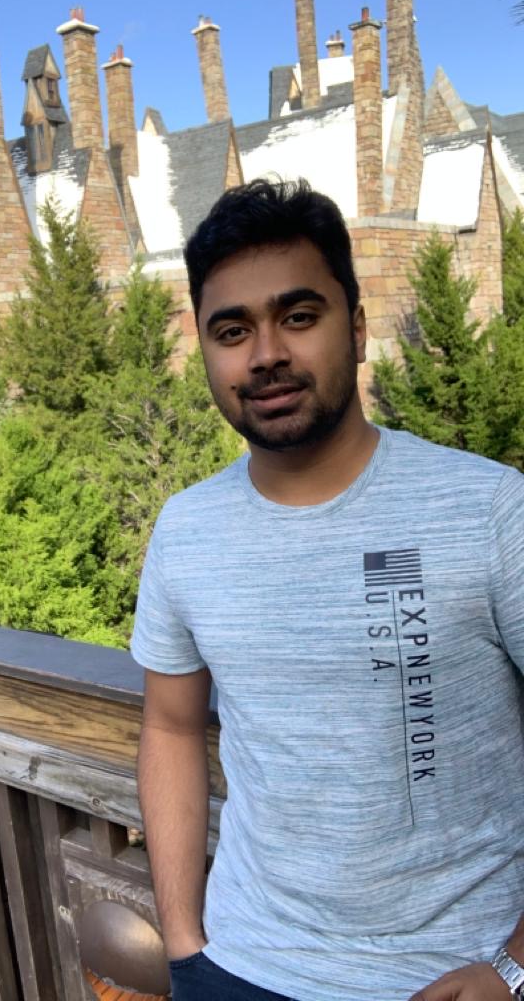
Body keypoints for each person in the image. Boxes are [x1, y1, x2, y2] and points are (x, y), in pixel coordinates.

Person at [130, 178, 524, 1001]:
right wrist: (185, 943)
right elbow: (170, 726)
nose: (266, 354)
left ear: (358, 328)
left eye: (299, 317)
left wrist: (516, 966)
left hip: (454, 975)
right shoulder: (186, 531)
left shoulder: (488, 509)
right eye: (232, 331)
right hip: (240, 964)